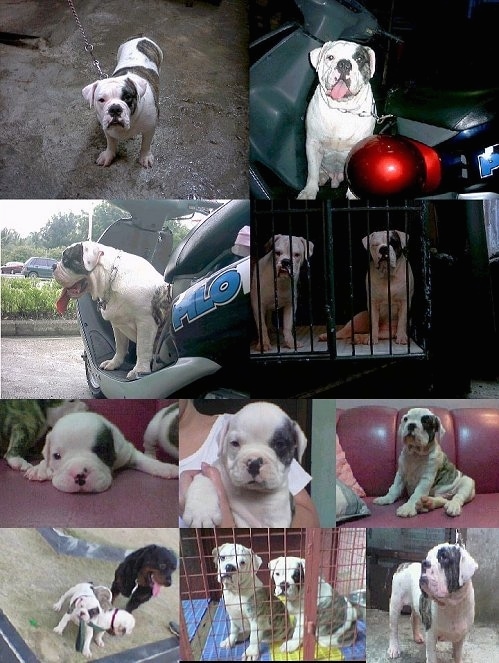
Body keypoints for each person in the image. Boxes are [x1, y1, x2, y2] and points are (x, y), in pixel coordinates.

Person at [179, 399, 320, 527]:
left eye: (278, 445)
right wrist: (200, 494)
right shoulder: (231, 430)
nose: (254, 464)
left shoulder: (253, 421)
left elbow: (312, 522)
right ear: (222, 442)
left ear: (298, 445)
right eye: (235, 444)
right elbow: (203, 483)